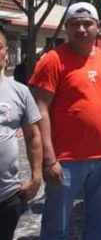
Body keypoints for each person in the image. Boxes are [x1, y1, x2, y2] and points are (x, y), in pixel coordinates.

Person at [30, 2, 101, 240]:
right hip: (65, 161)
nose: (81, 29)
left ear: (97, 27)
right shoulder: (52, 60)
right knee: (56, 228)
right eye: (75, 24)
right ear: (67, 28)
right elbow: (41, 109)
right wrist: (48, 159)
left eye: (87, 24)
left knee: (100, 224)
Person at [0, 24, 42, 240]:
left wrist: (36, 178)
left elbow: (33, 136)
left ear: (6, 52)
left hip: (7, 197)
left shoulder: (20, 90)